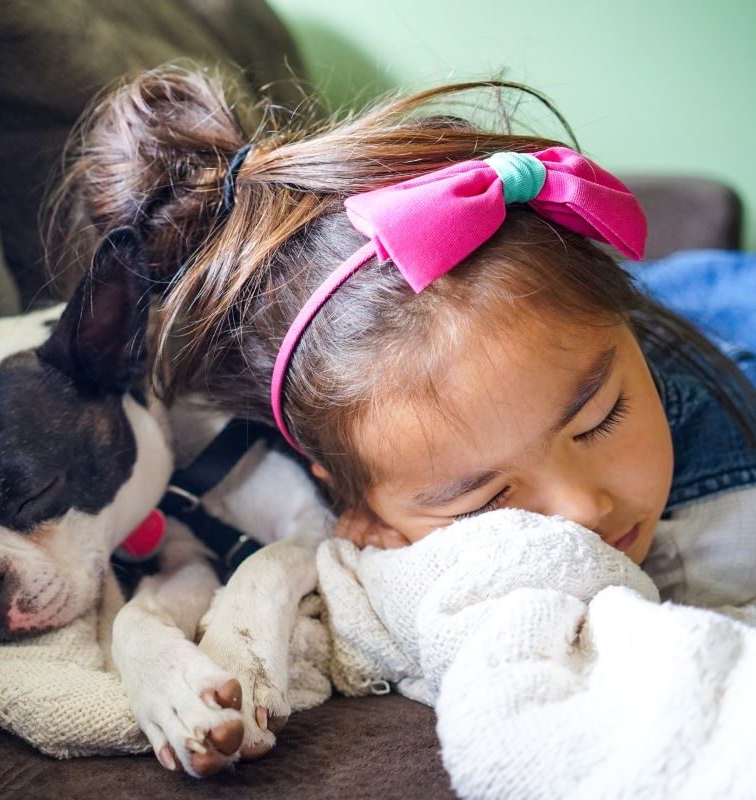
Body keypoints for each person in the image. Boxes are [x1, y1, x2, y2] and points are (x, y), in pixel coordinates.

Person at [54, 65, 756, 608]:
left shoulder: (725, 508)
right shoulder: (303, 475)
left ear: (623, 321)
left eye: (603, 419)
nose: (584, 509)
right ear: (360, 511)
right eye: (483, 500)